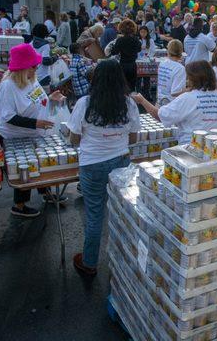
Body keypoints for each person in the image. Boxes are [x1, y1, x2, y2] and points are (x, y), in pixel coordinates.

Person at [67, 59, 140, 276]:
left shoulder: (85, 103)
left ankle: (89, 262)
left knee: (95, 214)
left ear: (95, 78)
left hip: (92, 165)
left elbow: (74, 139)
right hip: (121, 162)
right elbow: (134, 139)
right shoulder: (129, 104)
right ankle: (122, 260)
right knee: (121, 212)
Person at [0, 44, 65, 217]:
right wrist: (36, 124)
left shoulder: (31, 79)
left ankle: (45, 193)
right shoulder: (8, 86)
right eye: (33, 65)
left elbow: (35, 101)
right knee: (23, 168)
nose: (37, 68)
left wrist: (50, 98)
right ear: (22, 67)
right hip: (16, 135)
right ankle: (19, 205)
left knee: (41, 162)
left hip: (35, 131)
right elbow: (8, 117)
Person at [132, 60, 217, 144]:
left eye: (188, 77)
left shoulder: (188, 98)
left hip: (191, 146)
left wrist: (142, 100)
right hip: (214, 144)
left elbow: (160, 115)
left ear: (193, 79)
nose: (187, 80)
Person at [111, 19, 141, 91]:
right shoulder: (136, 39)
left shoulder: (120, 40)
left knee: (122, 86)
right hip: (133, 64)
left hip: (123, 65)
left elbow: (114, 52)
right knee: (132, 86)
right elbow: (139, 49)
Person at [156, 39, 186, 106]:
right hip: (171, 105)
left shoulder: (162, 63)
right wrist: (189, 89)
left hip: (160, 101)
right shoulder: (180, 68)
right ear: (181, 51)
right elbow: (175, 92)